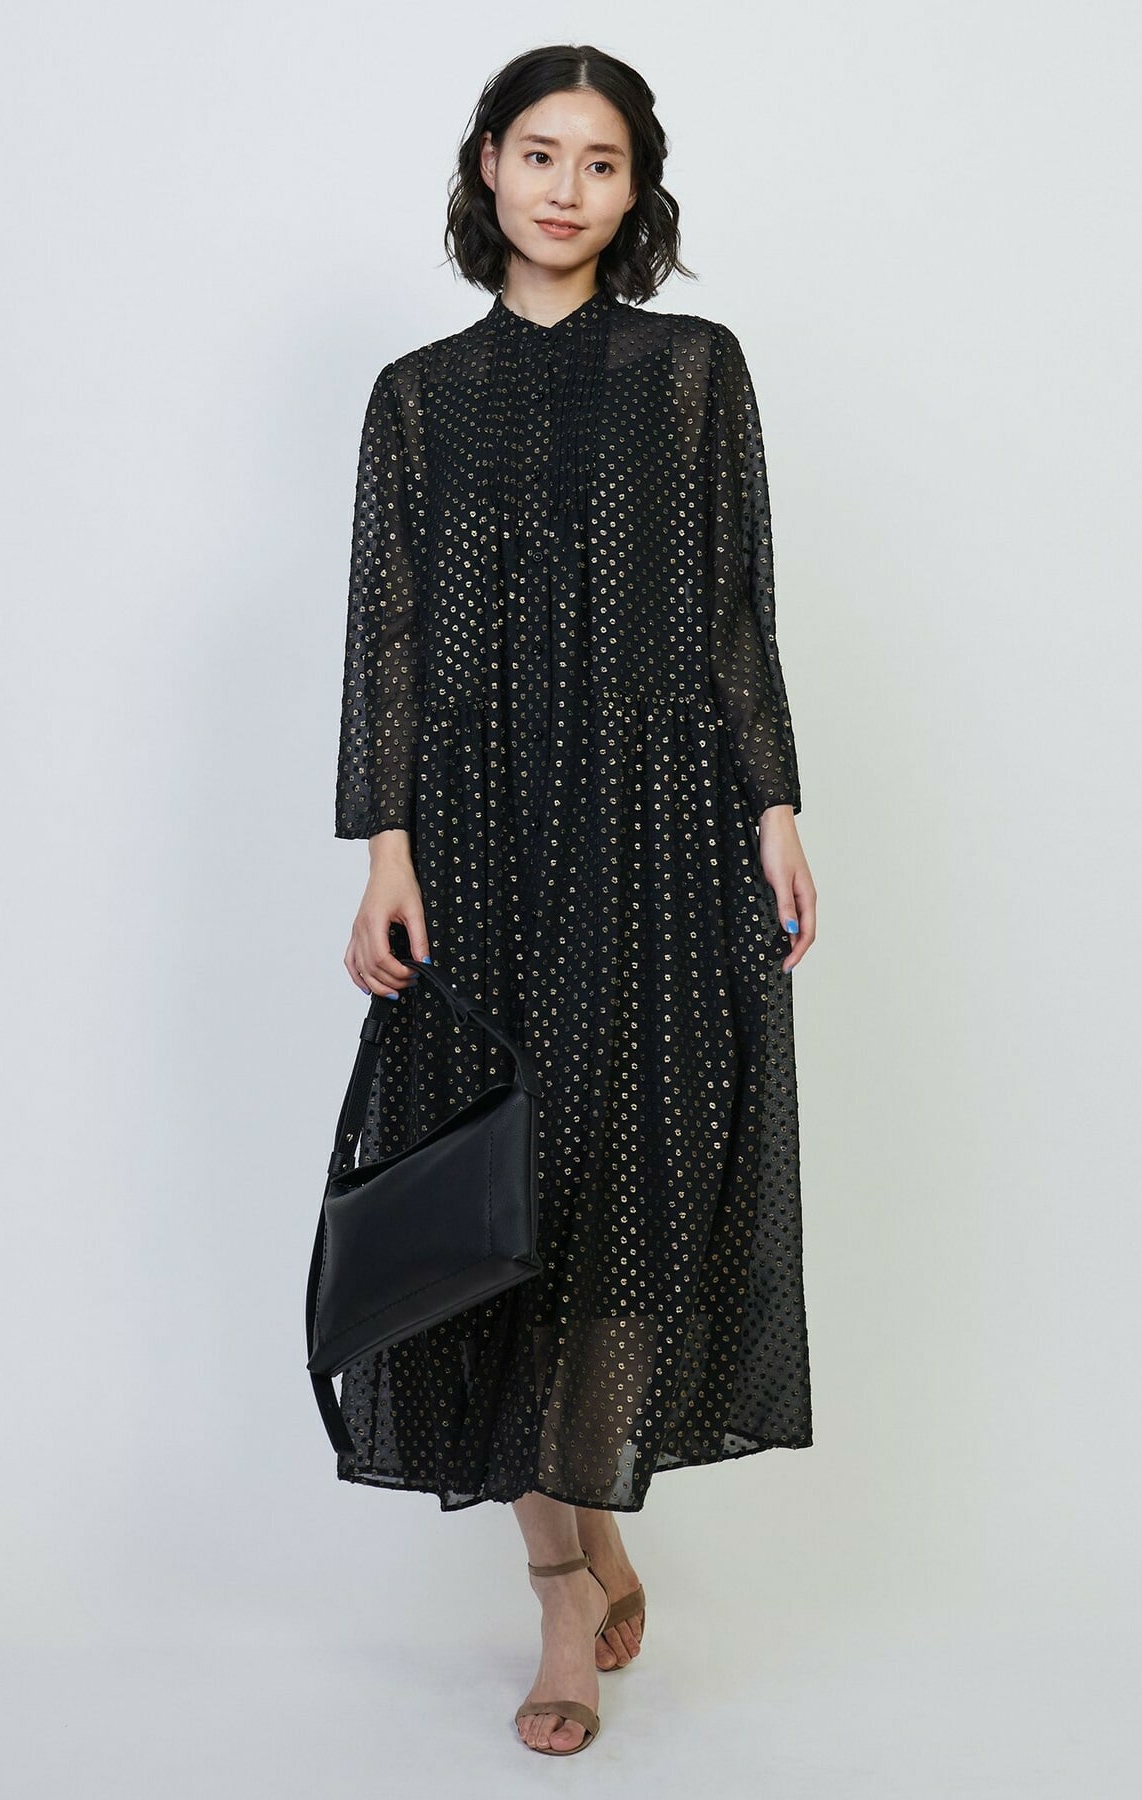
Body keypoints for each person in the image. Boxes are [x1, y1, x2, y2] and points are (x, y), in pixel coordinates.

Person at [332, 44, 818, 1755]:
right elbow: (389, 633)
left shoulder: (694, 371)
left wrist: (775, 806)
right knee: (491, 1205)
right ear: (487, 165)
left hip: (658, 828)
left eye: (599, 163)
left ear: (636, 188)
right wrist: (386, 850)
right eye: (539, 153)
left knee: (622, 1183)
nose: (565, 188)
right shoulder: (417, 395)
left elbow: (737, 606)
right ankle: (562, 1579)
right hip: (475, 843)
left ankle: (587, 1507)